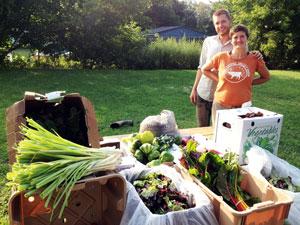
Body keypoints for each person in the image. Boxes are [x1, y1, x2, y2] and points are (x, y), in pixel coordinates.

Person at [190, 9, 262, 127]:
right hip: (203, 93)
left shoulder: (237, 42)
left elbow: (246, 61)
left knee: (220, 131)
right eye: (217, 23)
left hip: (223, 98)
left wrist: (257, 54)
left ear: (230, 21)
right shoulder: (208, 41)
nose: (220, 25)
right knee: (202, 129)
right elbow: (201, 66)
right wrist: (194, 89)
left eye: (223, 22)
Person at [202, 24, 270, 126]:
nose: (239, 40)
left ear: (247, 38)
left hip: (243, 106)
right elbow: (204, 69)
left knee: (240, 136)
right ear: (231, 39)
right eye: (235, 37)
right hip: (221, 104)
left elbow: (266, 77)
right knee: (220, 135)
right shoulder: (221, 57)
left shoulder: (255, 58)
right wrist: (219, 79)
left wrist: (247, 82)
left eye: (242, 36)